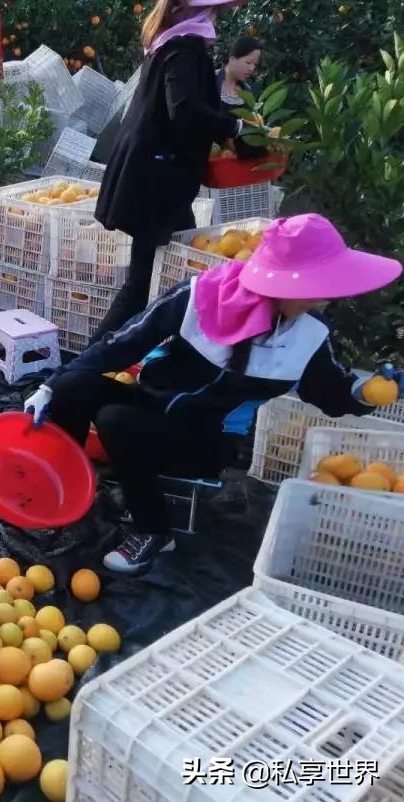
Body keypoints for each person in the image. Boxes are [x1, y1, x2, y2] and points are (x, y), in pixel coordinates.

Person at [23, 214, 403, 574]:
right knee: (73, 388)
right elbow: (122, 343)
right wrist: (51, 385)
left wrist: (366, 391)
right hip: (153, 405)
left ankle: (153, 530)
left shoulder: (309, 335)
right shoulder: (200, 295)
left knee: (117, 422)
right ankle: (67, 481)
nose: (320, 301)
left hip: (208, 440)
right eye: (315, 289)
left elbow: (331, 395)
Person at [92, 0, 249, 341]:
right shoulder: (185, 48)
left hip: (157, 178)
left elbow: (182, 105)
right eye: (216, 12)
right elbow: (185, 111)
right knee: (140, 286)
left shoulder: (170, 42)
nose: (217, 20)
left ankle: (131, 356)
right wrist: (234, 130)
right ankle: (81, 369)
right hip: (157, 182)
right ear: (201, 13)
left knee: (178, 268)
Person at [218, 36, 266, 160]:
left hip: (239, 162)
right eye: (248, 62)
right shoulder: (209, 81)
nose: (251, 68)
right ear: (232, 59)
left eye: (255, 64)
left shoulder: (247, 91)